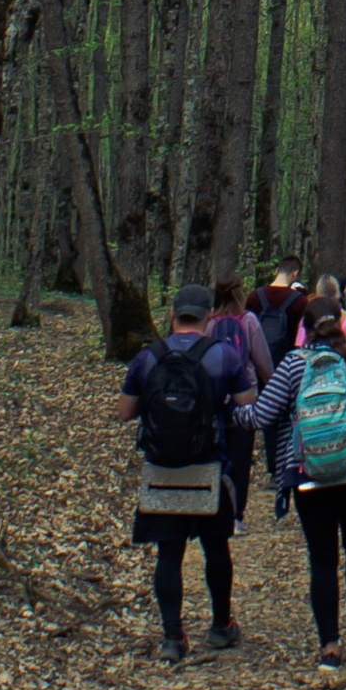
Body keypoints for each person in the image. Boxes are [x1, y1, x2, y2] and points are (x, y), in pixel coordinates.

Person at [239, 293, 346, 674]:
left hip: (308, 474)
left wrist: (230, 412)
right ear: (341, 321)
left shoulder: (292, 365)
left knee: (322, 559)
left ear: (303, 328)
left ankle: (329, 647)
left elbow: (261, 416)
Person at [118, 282, 255, 664]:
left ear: (173, 314)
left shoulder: (147, 357)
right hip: (209, 464)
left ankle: (172, 636)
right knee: (216, 547)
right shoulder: (223, 356)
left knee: (169, 552)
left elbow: (124, 412)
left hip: (161, 465)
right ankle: (220, 626)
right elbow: (247, 404)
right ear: (209, 315)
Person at [212, 277, 271, 530]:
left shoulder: (209, 322)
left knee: (215, 455)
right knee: (241, 458)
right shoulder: (249, 321)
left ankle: (215, 510)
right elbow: (263, 362)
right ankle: (236, 516)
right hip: (244, 397)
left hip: (214, 398)